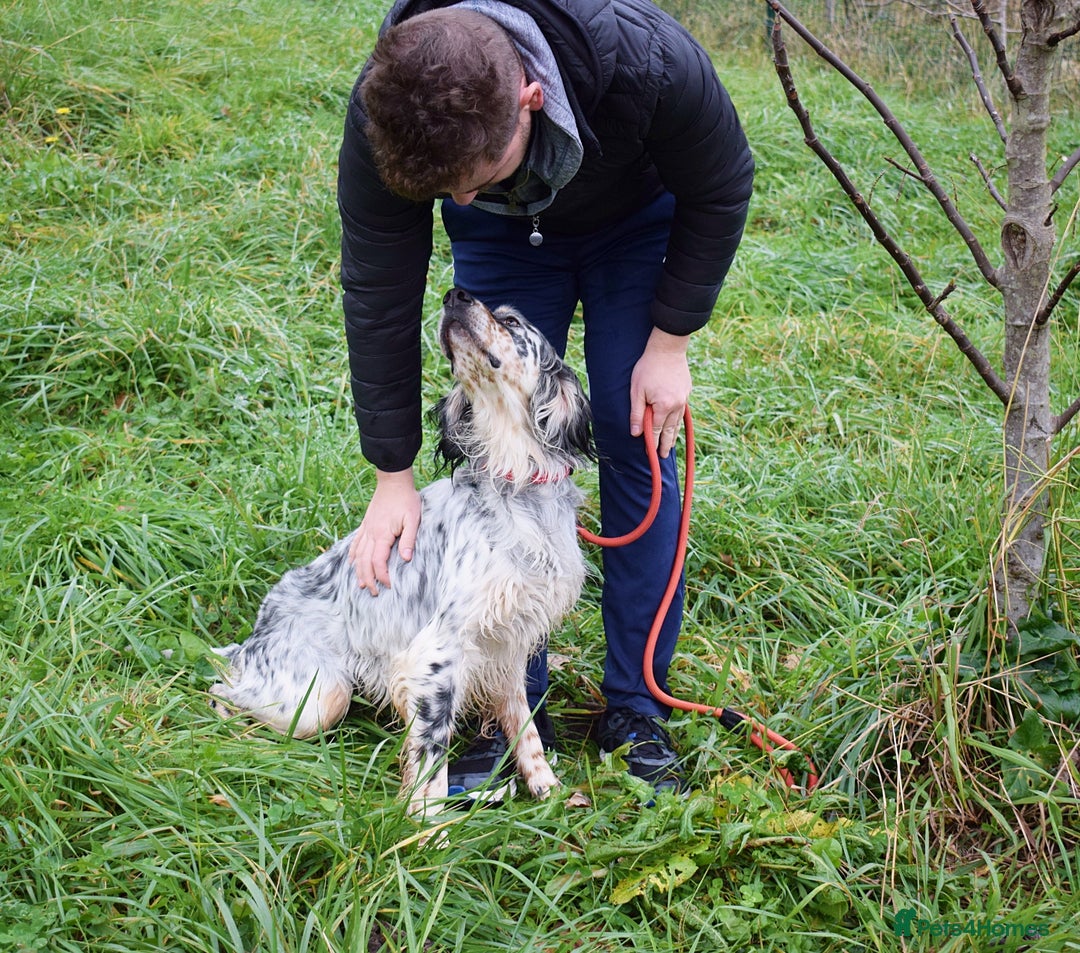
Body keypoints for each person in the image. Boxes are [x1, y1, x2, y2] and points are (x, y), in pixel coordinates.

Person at [337, 0, 753, 796]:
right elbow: (378, 286)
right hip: (508, 239)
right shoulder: (390, 107)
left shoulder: (645, 60)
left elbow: (724, 181)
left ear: (530, 97)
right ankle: (505, 707)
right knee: (496, 441)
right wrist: (392, 473)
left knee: (634, 434)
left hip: (634, 223)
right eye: (444, 191)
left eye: (472, 178)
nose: (456, 201)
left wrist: (670, 342)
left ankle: (637, 706)